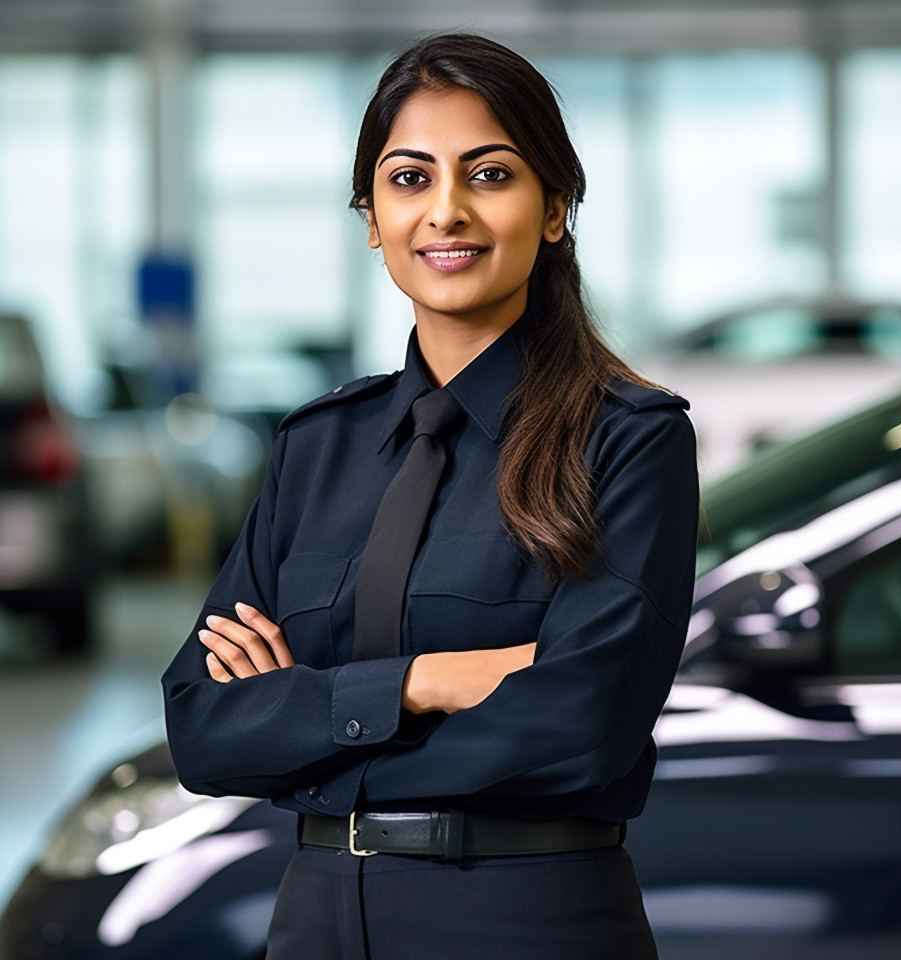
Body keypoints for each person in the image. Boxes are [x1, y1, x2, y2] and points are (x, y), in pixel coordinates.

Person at [162, 32, 699, 960]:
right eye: (410, 179)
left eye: (490, 175)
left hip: (523, 919)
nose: (446, 212)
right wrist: (427, 682)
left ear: (556, 207)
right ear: (371, 217)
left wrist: (310, 725)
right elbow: (203, 729)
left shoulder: (630, 440)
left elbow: (583, 726)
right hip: (317, 917)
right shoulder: (315, 447)